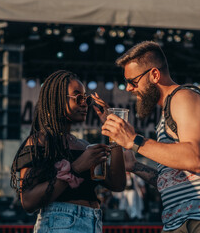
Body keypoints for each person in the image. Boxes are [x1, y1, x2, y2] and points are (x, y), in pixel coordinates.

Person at [100, 41, 200, 232]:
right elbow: (172, 179)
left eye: (132, 81)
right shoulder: (167, 113)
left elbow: (196, 158)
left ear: (154, 74)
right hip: (179, 222)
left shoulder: (183, 97)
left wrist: (134, 140)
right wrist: (134, 166)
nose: (128, 88)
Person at [10, 70, 126, 233]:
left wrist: (116, 137)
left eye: (86, 99)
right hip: (60, 224)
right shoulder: (40, 142)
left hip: (93, 223)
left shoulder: (83, 145)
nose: (85, 103)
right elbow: (28, 201)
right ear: (57, 101)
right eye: (78, 98)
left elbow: (117, 184)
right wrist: (76, 168)